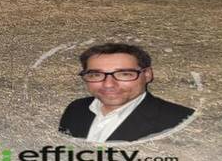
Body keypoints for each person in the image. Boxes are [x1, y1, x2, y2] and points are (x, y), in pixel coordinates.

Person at [58, 42, 194, 143]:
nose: (109, 84)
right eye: (96, 75)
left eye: (124, 74)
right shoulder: (76, 108)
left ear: (147, 75)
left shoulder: (182, 120)